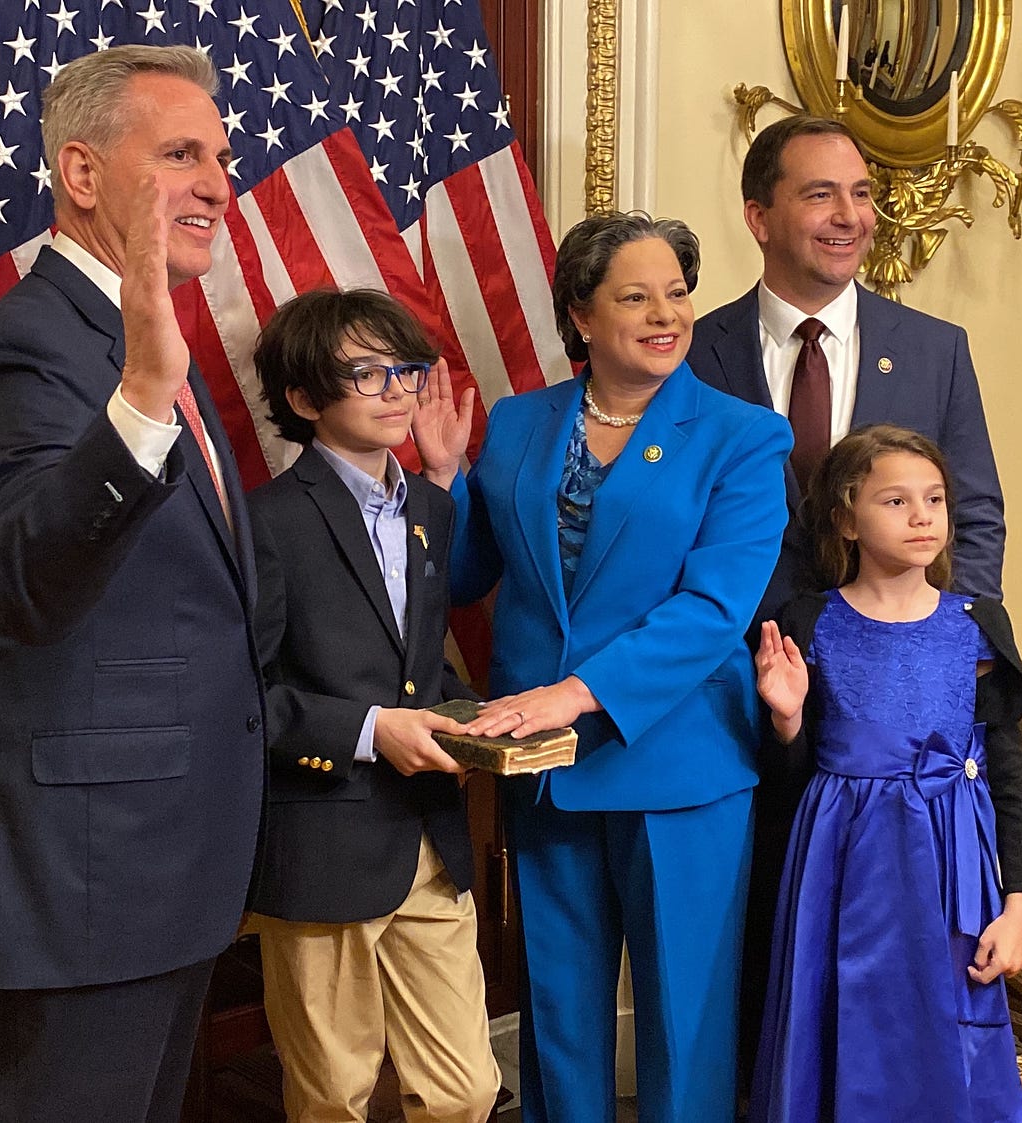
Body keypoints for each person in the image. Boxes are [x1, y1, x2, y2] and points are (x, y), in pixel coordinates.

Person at [0, 46, 264, 1123]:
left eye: (221, 154)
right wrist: (143, 400)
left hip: (158, 881)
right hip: (78, 894)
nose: (220, 181)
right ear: (79, 172)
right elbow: (18, 580)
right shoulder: (23, 352)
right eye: (179, 154)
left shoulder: (137, 342)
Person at [414, 212, 793, 1123]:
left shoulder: (744, 437)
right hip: (544, 770)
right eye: (635, 295)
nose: (666, 313)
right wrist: (441, 482)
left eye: (676, 292)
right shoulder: (516, 423)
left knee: (685, 1017)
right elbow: (465, 579)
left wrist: (575, 693)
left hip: (680, 761)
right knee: (561, 1018)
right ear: (580, 316)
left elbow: (712, 611)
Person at [686, 116, 1009, 1092]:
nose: (850, 215)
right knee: (760, 947)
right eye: (821, 193)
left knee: (908, 958)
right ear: (759, 214)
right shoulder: (696, 353)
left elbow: (977, 512)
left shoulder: (934, 345)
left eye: (861, 193)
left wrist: (950, 644)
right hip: (748, 700)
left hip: (903, 713)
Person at [244, 288, 501, 1123]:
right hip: (320, 842)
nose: (398, 389)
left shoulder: (432, 504)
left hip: (429, 835)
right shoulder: (264, 524)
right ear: (304, 398)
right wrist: (365, 732)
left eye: (407, 369)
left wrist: (487, 718)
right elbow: (241, 700)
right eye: (368, 373)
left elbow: (417, 671)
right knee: (333, 1097)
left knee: (466, 1090)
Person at [749, 425, 1022, 1123]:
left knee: (949, 1009)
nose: (921, 516)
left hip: (952, 860)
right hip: (842, 861)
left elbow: (1006, 769)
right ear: (845, 519)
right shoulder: (809, 621)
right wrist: (786, 719)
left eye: (934, 499)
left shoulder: (977, 625)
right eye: (896, 500)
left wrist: (1020, 904)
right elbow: (786, 775)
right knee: (844, 1009)